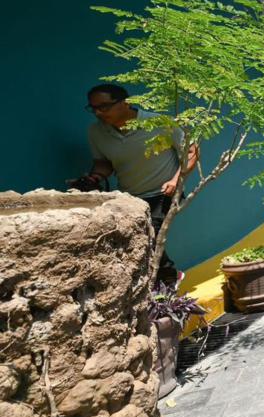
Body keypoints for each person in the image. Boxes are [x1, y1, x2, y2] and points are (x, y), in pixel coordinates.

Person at [82, 84, 198, 283]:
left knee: (149, 235)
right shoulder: (96, 132)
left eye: (104, 107)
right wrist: (95, 177)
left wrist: (175, 180)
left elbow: (191, 151)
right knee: (130, 238)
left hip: (163, 193)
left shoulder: (160, 123)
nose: (98, 113)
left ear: (125, 103)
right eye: (93, 108)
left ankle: (170, 280)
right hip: (130, 198)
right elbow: (103, 163)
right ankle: (158, 283)